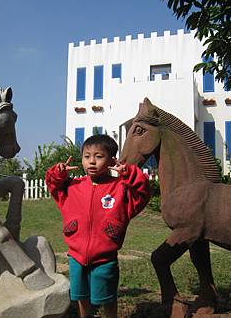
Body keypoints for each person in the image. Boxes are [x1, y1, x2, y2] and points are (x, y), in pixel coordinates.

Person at [45, 134, 151, 318]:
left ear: (111, 160)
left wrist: (129, 173)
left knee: (107, 299)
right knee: (81, 297)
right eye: (87, 156)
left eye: (99, 156)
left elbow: (142, 192)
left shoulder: (120, 188)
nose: (92, 161)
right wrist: (58, 173)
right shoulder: (72, 187)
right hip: (76, 257)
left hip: (105, 259)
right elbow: (53, 184)